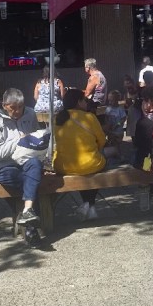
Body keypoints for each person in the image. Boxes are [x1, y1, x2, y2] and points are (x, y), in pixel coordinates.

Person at [0, 87, 44, 245]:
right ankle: (31, 228)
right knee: (29, 180)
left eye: (20, 107)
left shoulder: (30, 113)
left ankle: (26, 212)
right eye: (13, 108)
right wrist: (18, 141)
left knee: (35, 165)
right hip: (1, 166)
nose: (17, 111)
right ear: (4, 105)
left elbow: (35, 138)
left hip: (25, 160)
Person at [53, 88, 106, 220]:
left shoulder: (58, 118)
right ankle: (89, 203)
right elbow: (102, 141)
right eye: (85, 100)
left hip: (63, 165)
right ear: (78, 102)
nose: (87, 103)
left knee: (83, 170)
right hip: (90, 163)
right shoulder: (89, 117)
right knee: (95, 165)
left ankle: (89, 206)